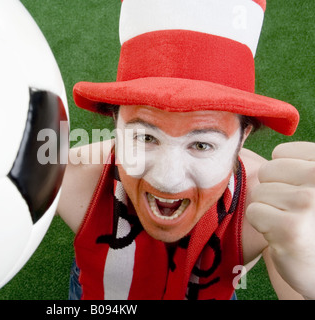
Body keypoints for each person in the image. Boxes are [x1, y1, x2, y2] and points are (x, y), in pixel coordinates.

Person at [57, 0, 315, 300]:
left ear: (242, 139)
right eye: (145, 137)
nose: (168, 179)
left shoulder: (264, 205)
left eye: (202, 144)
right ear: (116, 122)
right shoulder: (69, 178)